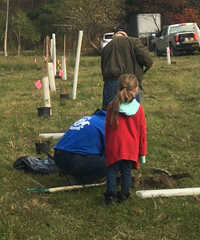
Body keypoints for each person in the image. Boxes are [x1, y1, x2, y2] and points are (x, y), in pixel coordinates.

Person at [103, 74, 147, 206]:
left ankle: (110, 196)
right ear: (135, 90)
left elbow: (107, 127)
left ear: (118, 88)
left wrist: (107, 146)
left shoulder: (112, 106)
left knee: (111, 170)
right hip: (130, 148)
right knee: (126, 171)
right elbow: (142, 133)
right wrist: (142, 153)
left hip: (114, 146)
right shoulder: (139, 109)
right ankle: (124, 195)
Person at [51, 108, 108, 184]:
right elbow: (110, 151)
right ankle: (80, 179)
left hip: (58, 157)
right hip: (74, 158)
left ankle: (70, 172)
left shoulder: (90, 118)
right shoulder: (107, 124)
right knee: (112, 165)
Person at [100, 29, 152, 107]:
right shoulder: (133, 41)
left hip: (110, 84)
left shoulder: (106, 47)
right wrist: (147, 67)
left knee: (109, 114)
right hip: (130, 83)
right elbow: (146, 59)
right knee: (132, 114)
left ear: (114, 36)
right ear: (125, 35)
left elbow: (103, 68)